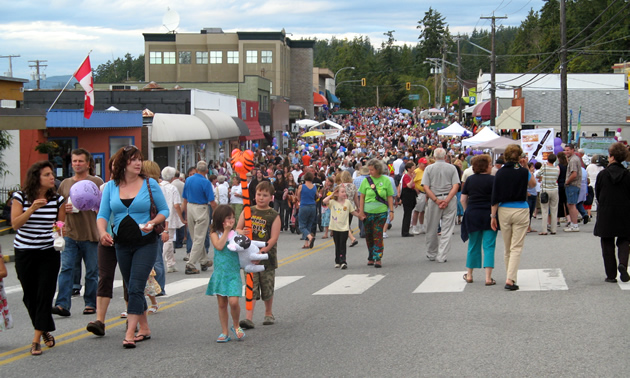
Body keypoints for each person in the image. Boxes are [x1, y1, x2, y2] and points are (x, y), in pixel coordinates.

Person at [97, 145, 169, 349]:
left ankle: (130, 332)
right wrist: (103, 233)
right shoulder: (111, 186)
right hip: (121, 243)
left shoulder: (149, 183)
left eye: (140, 159)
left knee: (136, 286)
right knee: (131, 286)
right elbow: (102, 214)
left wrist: (154, 223)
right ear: (123, 163)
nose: (138, 163)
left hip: (145, 243)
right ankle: (144, 327)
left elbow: (164, 210)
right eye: (133, 160)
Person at [11, 160, 66, 355]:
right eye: (47, 175)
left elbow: (59, 225)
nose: (52, 178)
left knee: (45, 293)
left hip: (48, 252)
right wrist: (32, 209)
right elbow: (16, 224)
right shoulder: (20, 197)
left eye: (52, 174)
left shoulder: (58, 200)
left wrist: (61, 229)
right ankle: (43, 328)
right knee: (30, 295)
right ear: (37, 178)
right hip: (25, 251)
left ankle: (35, 340)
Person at [53, 149, 103, 318]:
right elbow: (57, 209)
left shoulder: (96, 182)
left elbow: (104, 207)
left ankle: (90, 303)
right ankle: (62, 304)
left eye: (80, 161)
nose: (77, 164)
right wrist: (63, 214)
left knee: (92, 271)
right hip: (70, 233)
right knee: (66, 269)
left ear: (88, 164)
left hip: (91, 233)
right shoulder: (65, 184)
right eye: (74, 161)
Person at [491, 145, 537, 291]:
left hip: (504, 208)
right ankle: (510, 278)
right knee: (516, 246)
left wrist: (493, 215)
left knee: (507, 246)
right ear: (519, 157)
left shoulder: (500, 173)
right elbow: (533, 185)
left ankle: (509, 275)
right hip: (521, 208)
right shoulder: (523, 172)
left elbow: (495, 195)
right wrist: (527, 169)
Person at [238, 181, 281, 329]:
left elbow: (274, 237)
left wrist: (262, 252)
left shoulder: (273, 215)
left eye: (265, 195)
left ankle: (268, 313)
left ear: (271, 197)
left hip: (265, 258)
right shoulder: (248, 211)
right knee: (251, 286)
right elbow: (238, 228)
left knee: (267, 286)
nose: (261, 198)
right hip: (249, 257)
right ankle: (248, 317)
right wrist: (241, 232)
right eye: (258, 195)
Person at [206, 205, 246, 342]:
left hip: (233, 272)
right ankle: (224, 331)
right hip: (220, 273)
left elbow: (245, 246)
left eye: (233, 218)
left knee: (234, 302)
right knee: (222, 304)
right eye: (228, 218)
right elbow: (219, 246)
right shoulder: (214, 233)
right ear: (220, 219)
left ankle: (236, 325)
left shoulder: (235, 233)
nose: (231, 220)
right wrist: (226, 231)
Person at [594, 142, 630, 283]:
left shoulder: (603, 175)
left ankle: (611, 275)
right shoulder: (627, 175)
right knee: (625, 239)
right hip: (625, 211)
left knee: (607, 241)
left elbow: (598, 192)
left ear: (612, 157)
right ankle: (623, 263)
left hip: (606, 211)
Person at [460, 155, 497, 286]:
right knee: (489, 245)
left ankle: (469, 274)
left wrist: (467, 211)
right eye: (490, 164)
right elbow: (495, 200)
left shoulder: (470, 180)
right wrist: (494, 215)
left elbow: (463, 199)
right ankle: (488, 277)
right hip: (488, 214)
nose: (491, 166)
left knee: (473, 245)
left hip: (473, 213)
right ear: (486, 166)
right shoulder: (493, 180)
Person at [421, 148, 460, 263]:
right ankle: (442, 255)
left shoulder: (429, 168)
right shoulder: (452, 168)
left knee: (431, 227)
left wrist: (436, 200)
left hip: (435, 198)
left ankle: (432, 253)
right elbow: (456, 185)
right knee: (447, 228)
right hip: (449, 197)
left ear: (434, 157)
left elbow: (426, 187)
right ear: (445, 157)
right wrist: (447, 200)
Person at [182, 161, 217, 275]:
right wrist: (216, 212)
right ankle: (190, 264)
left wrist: (183, 213)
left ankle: (204, 260)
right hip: (201, 208)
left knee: (195, 237)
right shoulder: (206, 182)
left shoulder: (188, 180)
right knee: (200, 237)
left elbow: (185, 198)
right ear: (206, 171)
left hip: (190, 207)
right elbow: (212, 201)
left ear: (196, 169)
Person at [358, 159, 394, 268]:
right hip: (368, 212)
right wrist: (361, 211)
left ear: (378, 169)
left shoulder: (386, 180)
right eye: (369, 170)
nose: (370, 172)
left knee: (377, 234)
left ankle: (378, 257)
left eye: (372, 170)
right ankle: (371, 255)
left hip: (381, 212)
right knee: (368, 235)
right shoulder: (366, 181)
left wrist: (391, 211)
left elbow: (389, 196)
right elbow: (362, 197)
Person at [323, 185, 362, 269]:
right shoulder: (333, 202)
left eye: (345, 192)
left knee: (343, 244)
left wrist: (360, 216)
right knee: (337, 244)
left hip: (344, 227)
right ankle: (337, 261)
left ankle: (343, 261)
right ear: (337, 193)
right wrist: (332, 194)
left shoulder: (347, 202)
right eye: (342, 192)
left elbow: (352, 212)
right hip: (335, 227)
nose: (344, 193)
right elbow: (324, 201)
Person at [160, 166, 186, 274]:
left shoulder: (158, 186)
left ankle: (170, 263)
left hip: (159, 216)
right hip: (170, 216)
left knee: (168, 240)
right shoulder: (172, 188)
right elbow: (176, 205)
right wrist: (181, 218)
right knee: (169, 240)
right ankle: (163, 260)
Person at [536, 153, 560, 235]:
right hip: (554, 189)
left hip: (545, 190)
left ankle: (544, 230)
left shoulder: (544, 167)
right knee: (554, 210)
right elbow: (557, 177)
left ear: (547, 159)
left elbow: (538, 174)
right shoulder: (557, 169)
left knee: (545, 210)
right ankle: (553, 229)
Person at [338, 170, 359, 247]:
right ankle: (349, 239)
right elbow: (356, 198)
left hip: (343, 206)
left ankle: (351, 239)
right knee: (347, 223)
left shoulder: (341, 186)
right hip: (352, 206)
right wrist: (358, 207)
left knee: (344, 224)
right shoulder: (353, 186)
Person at [564, 144, 582, 231]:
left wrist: (567, 182)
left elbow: (574, 174)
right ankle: (573, 223)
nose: (566, 152)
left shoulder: (573, 160)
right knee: (570, 204)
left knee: (571, 205)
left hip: (573, 184)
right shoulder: (574, 159)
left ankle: (574, 225)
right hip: (574, 185)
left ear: (572, 150)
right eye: (565, 150)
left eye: (568, 150)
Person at [297, 171, 318, 249]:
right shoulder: (314, 187)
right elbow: (317, 195)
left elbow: (298, 197)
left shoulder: (301, 186)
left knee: (302, 225)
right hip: (312, 206)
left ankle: (310, 237)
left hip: (304, 206)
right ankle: (306, 243)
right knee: (309, 225)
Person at [411, 157, 428, 234]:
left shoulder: (426, 171)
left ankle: (421, 226)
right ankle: (414, 227)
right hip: (420, 193)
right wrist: (415, 188)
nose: (425, 165)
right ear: (420, 164)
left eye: (425, 163)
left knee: (423, 211)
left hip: (426, 193)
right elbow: (412, 181)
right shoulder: (416, 171)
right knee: (417, 210)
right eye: (423, 164)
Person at [399, 161, 417, 237]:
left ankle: (406, 230)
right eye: (413, 168)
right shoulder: (406, 176)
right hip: (407, 195)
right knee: (407, 213)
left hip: (412, 194)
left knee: (409, 212)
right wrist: (413, 178)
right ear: (409, 169)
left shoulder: (410, 175)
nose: (414, 169)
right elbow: (409, 185)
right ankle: (405, 231)